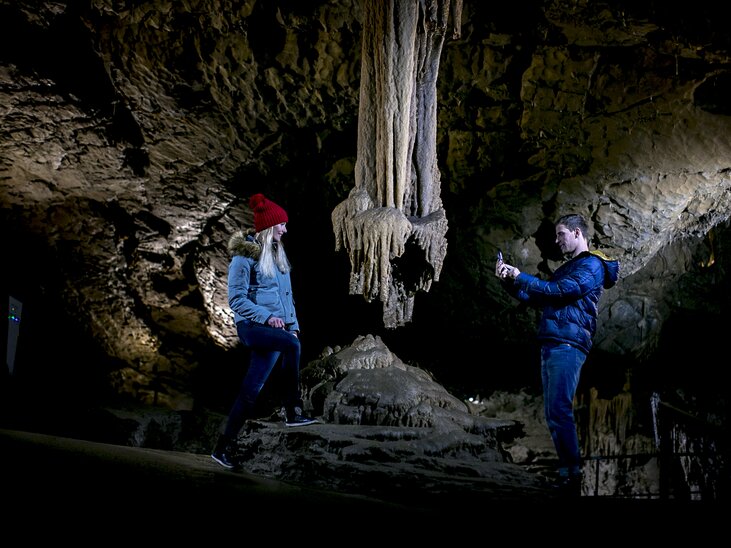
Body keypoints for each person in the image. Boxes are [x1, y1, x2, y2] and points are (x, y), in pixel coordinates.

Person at [495, 213, 619, 495]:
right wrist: (509, 280)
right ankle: (568, 474)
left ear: (577, 233)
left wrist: (521, 275)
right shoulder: (571, 267)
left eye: (561, 234)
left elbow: (562, 291)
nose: (557, 240)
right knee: (553, 412)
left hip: (568, 342)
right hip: (554, 340)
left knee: (560, 409)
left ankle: (571, 477)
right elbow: (540, 297)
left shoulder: (592, 265)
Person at [211, 193, 319, 470]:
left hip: (275, 328)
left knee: (251, 390)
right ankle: (293, 410)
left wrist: (292, 327)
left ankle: (221, 448)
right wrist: (266, 317)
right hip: (251, 327)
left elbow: (286, 296)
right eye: (281, 225)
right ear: (269, 226)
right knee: (292, 348)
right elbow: (236, 299)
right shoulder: (243, 256)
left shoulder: (277, 253)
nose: (285, 229)